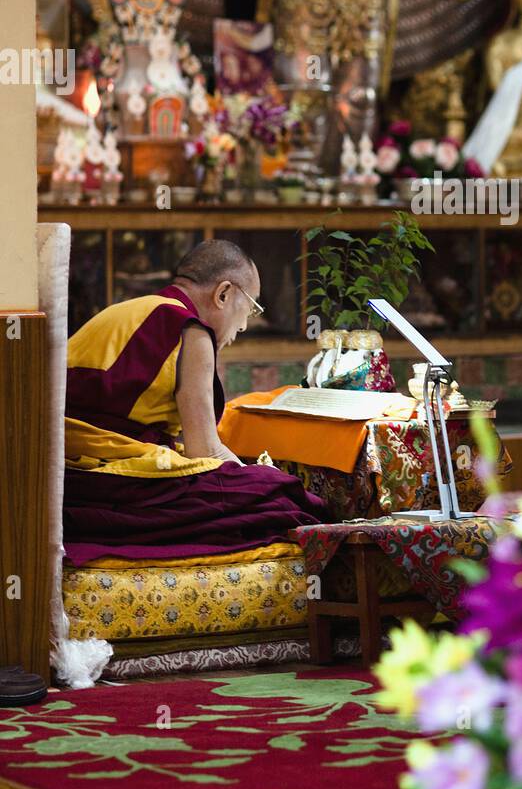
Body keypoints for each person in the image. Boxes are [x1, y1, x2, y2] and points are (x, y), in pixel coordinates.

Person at [62, 239, 326, 566]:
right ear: (224, 294)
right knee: (280, 496)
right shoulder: (191, 330)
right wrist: (258, 477)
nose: (244, 325)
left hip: (66, 475)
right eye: (253, 308)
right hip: (112, 477)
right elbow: (206, 450)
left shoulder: (128, 309)